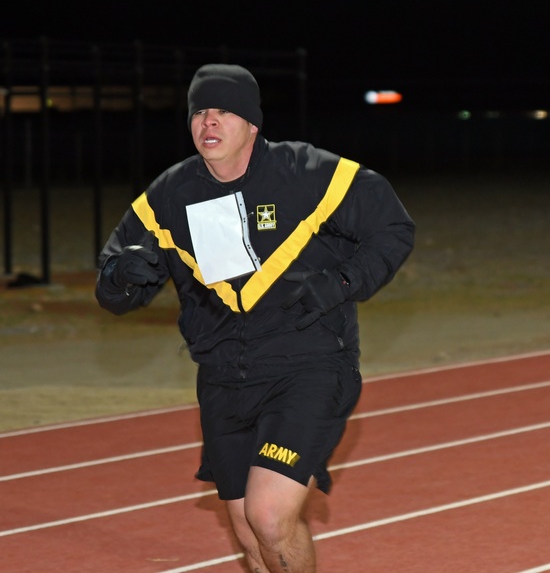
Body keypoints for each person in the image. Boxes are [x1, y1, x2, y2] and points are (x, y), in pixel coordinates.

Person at [95, 63, 415, 572]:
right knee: (247, 529)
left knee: (268, 515)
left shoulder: (306, 173)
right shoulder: (168, 196)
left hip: (308, 364)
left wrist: (341, 284)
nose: (210, 122)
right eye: (200, 111)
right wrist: (122, 275)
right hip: (223, 378)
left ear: (252, 124)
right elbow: (113, 287)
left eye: (224, 111)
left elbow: (393, 228)